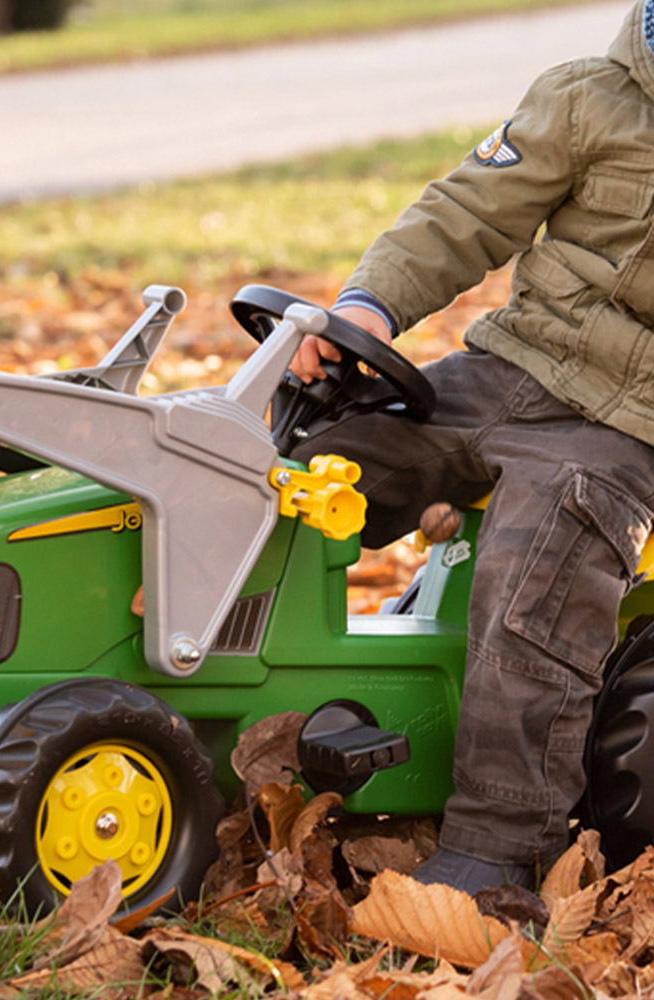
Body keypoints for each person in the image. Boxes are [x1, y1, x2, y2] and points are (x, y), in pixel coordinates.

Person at [287, 0, 654, 893]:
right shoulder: (589, 100)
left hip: (625, 428)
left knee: (541, 578)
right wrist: (368, 306)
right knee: (315, 452)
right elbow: (465, 213)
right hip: (508, 373)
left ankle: (497, 849)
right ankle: (217, 681)